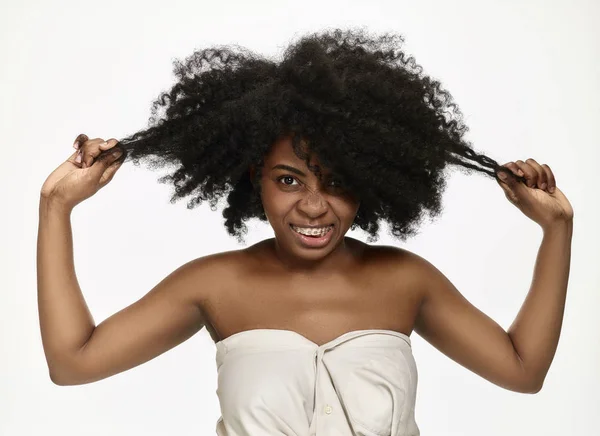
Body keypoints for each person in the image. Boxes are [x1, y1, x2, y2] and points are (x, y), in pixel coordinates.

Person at [37, 28, 574, 435]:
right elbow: (72, 363)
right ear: (257, 180)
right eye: (289, 179)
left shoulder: (404, 280)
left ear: (369, 183)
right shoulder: (215, 284)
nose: (314, 206)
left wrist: (557, 229)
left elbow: (522, 372)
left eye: (337, 182)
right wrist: (55, 207)